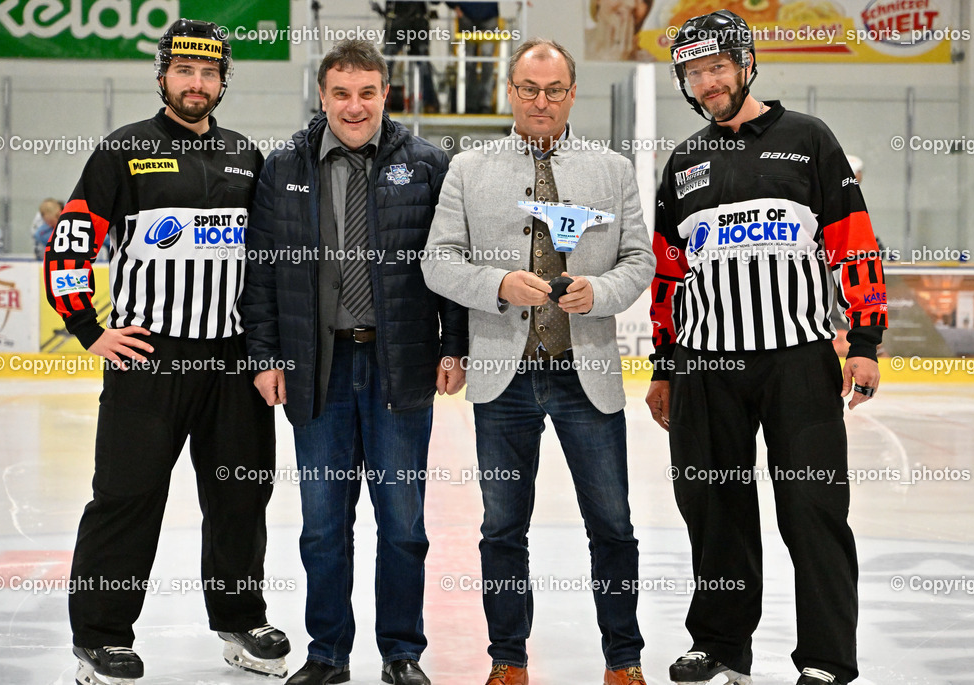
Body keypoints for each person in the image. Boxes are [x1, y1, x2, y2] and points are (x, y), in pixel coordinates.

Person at [43, 19, 290, 685]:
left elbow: (265, 258)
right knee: (126, 495)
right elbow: (71, 245)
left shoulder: (245, 154)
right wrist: (89, 329)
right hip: (149, 358)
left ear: (222, 81)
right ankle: (100, 636)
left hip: (232, 361)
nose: (196, 83)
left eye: (209, 73)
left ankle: (240, 619)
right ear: (163, 77)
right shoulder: (123, 152)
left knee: (241, 496)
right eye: (185, 71)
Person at [645, 11, 887, 685]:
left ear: (745, 64)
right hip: (704, 364)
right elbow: (669, 274)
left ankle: (825, 658)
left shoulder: (809, 140)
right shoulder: (686, 160)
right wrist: (666, 365)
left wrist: (864, 340)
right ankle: (721, 646)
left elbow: (854, 242)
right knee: (713, 508)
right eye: (694, 72)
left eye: (717, 67)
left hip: (797, 361)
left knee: (812, 509)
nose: (707, 82)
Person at [422, 38, 654, 685]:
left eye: (554, 89)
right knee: (501, 528)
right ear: (511, 92)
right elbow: (437, 260)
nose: (542, 101)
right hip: (505, 375)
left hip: (588, 375)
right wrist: (497, 284)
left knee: (612, 523)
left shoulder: (610, 168)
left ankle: (624, 660)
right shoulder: (468, 168)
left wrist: (599, 292)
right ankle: (508, 659)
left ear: (572, 93)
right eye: (529, 88)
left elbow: (640, 259)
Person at [240, 39, 466, 685]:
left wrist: (454, 345)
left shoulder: (425, 163)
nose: (354, 105)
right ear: (322, 95)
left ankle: (402, 652)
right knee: (322, 525)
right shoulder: (284, 165)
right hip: (318, 370)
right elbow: (260, 274)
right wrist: (264, 356)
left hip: (401, 367)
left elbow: (450, 265)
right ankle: (328, 653)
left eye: (367, 92)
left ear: (386, 94)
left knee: (402, 524)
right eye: (341, 93)